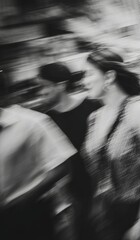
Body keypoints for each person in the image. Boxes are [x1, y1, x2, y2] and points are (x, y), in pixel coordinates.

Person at [81, 48, 140, 240]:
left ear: (109, 77)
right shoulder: (94, 118)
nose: (84, 81)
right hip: (108, 216)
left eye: (89, 74)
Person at [0, 69, 76, 240]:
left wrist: (25, 199)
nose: (41, 93)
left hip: (29, 216)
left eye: (43, 87)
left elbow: (62, 166)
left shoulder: (32, 122)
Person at [38, 62, 102, 239]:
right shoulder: (46, 120)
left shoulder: (92, 106)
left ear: (61, 85)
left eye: (45, 87)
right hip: (75, 197)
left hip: (103, 188)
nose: (41, 92)